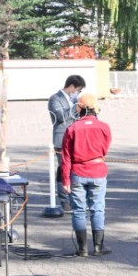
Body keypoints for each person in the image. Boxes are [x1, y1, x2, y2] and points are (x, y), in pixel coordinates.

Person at [60, 93, 112, 256]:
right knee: (97, 209)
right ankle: (98, 246)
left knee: (78, 211)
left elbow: (66, 157)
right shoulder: (104, 127)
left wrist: (65, 180)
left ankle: (82, 248)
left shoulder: (72, 128)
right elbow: (105, 149)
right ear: (96, 108)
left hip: (77, 172)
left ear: (79, 109)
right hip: (97, 171)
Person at [48, 75, 86, 213]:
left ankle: (76, 199)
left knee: (76, 170)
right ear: (71, 87)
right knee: (64, 169)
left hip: (76, 138)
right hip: (61, 139)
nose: (78, 93)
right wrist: (75, 106)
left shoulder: (75, 100)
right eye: (78, 90)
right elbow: (60, 117)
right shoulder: (55, 99)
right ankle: (64, 201)